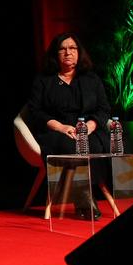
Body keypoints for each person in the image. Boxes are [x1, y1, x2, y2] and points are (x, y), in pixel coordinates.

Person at [27, 32, 110, 219]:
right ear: (55, 54)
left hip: (88, 130)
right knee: (68, 146)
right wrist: (61, 127)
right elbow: (35, 112)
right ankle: (84, 198)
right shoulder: (43, 80)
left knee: (93, 146)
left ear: (79, 53)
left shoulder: (92, 79)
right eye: (62, 49)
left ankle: (84, 196)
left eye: (72, 48)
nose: (68, 52)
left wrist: (89, 126)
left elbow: (104, 109)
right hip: (55, 131)